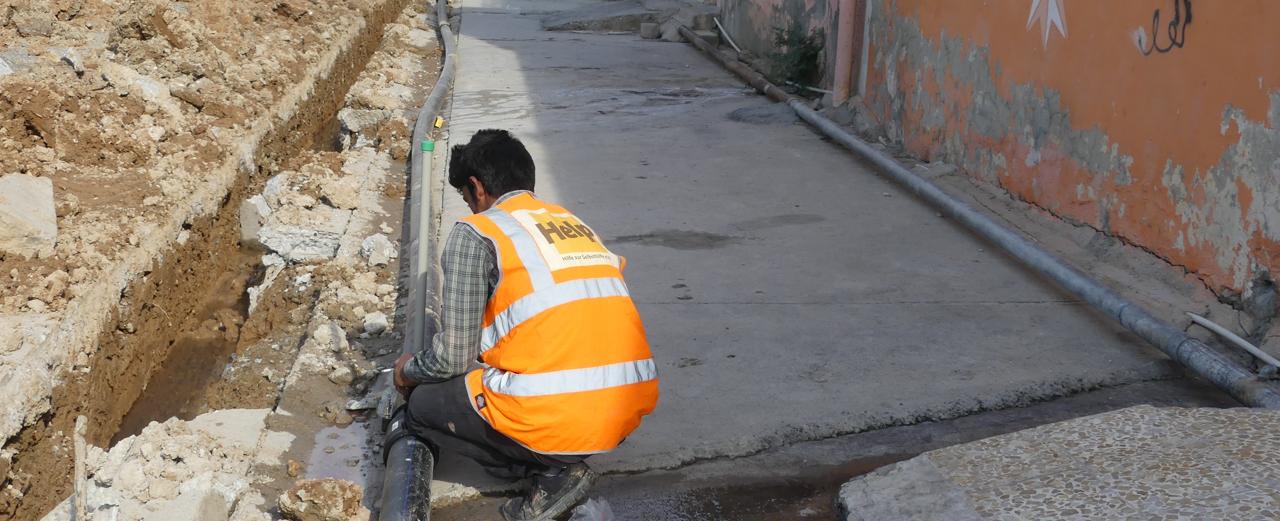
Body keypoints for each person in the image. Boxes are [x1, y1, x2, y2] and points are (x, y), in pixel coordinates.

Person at [393, 129, 660, 521]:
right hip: (623, 410)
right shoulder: (570, 222)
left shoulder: (478, 233)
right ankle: (556, 456)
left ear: (476, 187)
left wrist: (407, 371)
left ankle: (551, 475)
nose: (470, 210)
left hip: (564, 415)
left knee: (423, 405)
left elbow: (452, 359)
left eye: (467, 200)